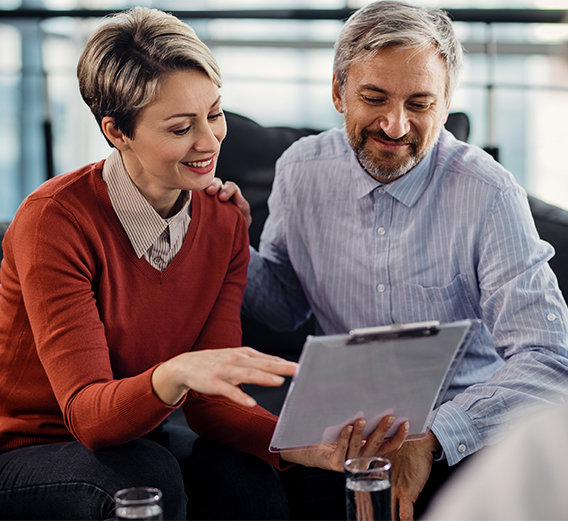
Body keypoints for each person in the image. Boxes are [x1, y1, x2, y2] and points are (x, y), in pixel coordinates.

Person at [0, 8, 407, 520]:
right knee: (145, 475)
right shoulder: (53, 221)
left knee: (248, 479)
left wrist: (307, 445)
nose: (210, 141)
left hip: (139, 435)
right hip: (25, 448)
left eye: (214, 114)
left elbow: (210, 405)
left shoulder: (224, 221)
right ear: (117, 132)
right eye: (179, 128)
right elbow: (89, 418)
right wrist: (177, 372)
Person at [231, 1, 568, 519]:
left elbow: (550, 359)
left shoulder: (488, 191)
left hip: (462, 428)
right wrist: (222, 239)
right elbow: (282, 309)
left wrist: (433, 437)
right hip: (341, 426)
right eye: (374, 97)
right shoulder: (300, 170)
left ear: (446, 100)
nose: (395, 125)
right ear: (339, 92)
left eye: (419, 103)